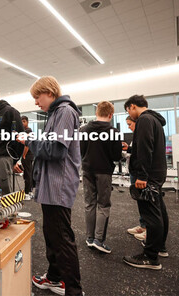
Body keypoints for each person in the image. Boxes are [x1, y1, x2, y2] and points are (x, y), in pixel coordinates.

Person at [17, 76, 82, 296]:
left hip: (59, 185)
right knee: (53, 235)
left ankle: (73, 289)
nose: (36, 102)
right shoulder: (55, 113)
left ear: (50, 92)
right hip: (50, 185)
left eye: (38, 97)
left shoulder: (64, 111)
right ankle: (55, 278)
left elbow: (56, 150)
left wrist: (29, 141)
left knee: (62, 238)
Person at [123, 95, 169, 270]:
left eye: (128, 111)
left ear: (133, 106)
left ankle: (151, 257)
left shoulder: (144, 120)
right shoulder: (155, 120)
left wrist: (142, 176)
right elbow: (150, 145)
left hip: (148, 175)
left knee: (151, 214)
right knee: (158, 210)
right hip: (157, 172)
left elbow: (145, 149)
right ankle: (160, 247)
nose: (130, 115)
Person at [80, 101, 122, 254]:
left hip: (87, 170)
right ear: (110, 115)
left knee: (89, 204)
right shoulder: (113, 131)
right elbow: (117, 156)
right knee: (103, 205)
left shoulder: (84, 129)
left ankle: (90, 237)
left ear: (97, 113)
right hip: (104, 172)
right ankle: (98, 240)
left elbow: (81, 151)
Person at [123, 117, 147, 241]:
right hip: (135, 172)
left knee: (147, 202)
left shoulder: (143, 136)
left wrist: (142, 176)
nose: (128, 127)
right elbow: (136, 152)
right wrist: (128, 148)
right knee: (140, 200)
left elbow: (144, 155)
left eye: (130, 124)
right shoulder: (136, 137)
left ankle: (149, 229)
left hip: (140, 174)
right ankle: (143, 226)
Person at [14, 116, 34, 198]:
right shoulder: (24, 131)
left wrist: (24, 155)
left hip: (27, 155)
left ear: (27, 122)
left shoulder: (28, 131)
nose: (22, 123)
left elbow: (27, 145)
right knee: (28, 173)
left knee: (27, 174)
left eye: (24, 121)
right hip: (28, 155)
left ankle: (27, 192)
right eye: (21, 121)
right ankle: (29, 191)